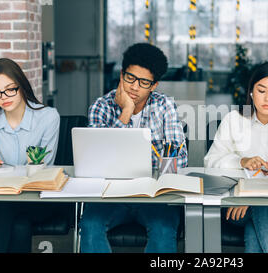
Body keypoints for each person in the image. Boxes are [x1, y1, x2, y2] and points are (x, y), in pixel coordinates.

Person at [79, 43, 188, 253]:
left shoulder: (165, 106)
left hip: (152, 196)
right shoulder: (101, 106)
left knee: (164, 227)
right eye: (130, 78)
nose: (134, 87)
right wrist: (126, 112)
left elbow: (179, 159)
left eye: (144, 82)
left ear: (154, 85)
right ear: (121, 75)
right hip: (109, 195)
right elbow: (96, 158)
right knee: (90, 225)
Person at [204, 61, 268, 253]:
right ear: (251, 92)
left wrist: (251, 197)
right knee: (261, 211)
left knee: (260, 216)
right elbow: (211, 161)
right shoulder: (234, 120)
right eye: (261, 90)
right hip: (236, 204)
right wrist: (241, 161)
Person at [0, 58, 62, 253]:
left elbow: (42, 170)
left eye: (10, 89)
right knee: (19, 224)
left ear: (21, 85)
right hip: (5, 201)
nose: (4, 96)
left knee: (4, 207)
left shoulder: (48, 117)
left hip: (39, 198)